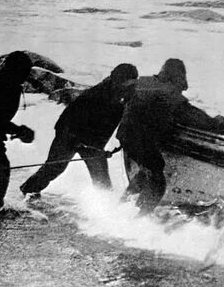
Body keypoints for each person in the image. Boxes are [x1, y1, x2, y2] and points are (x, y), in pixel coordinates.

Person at [117, 59, 224, 214]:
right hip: (140, 138)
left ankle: (121, 208)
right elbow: (192, 115)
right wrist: (216, 122)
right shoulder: (168, 92)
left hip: (125, 134)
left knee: (146, 171)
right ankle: (138, 220)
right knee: (157, 182)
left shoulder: (143, 83)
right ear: (176, 78)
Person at [19, 63, 138, 198]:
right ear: (116, 79)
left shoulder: (125, 93)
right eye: (125, 83)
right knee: (55, 166)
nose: (128, 86)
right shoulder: (97, 95)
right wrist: (90, 147)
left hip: (93, 140)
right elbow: (77, 122)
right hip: (69, 133)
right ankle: (29, 189)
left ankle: (105, 204)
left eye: (131, 83)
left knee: (101, 176)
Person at [0, 51, 35, 212]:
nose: (26, 77)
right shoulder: (3, 85)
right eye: (23, 72)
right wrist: (18, 130)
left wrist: (18, 131)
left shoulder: (12, 85)